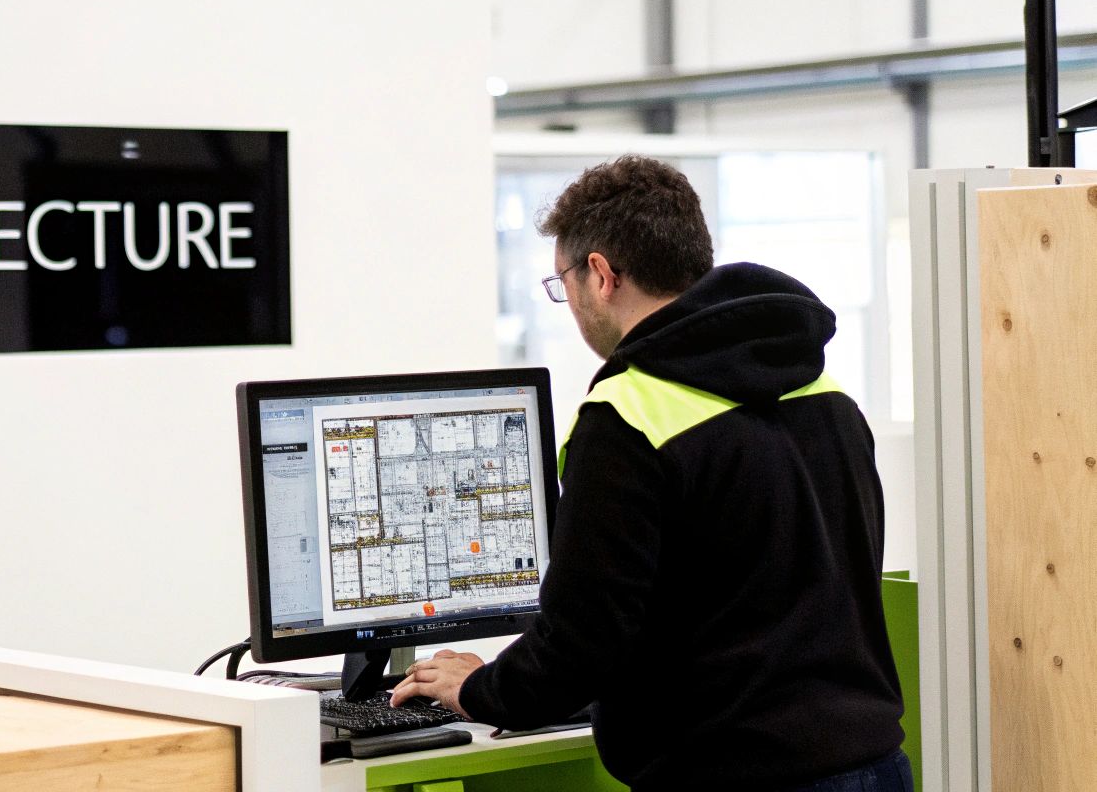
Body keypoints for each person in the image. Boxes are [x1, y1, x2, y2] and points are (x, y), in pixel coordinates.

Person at [390, 155, 909, 792]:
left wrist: (480, 689)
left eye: (563, 285)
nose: (571, 305)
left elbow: (581, 644)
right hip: (873, 765)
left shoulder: (627, 415)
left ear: (602, 274)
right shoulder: (821, 390)